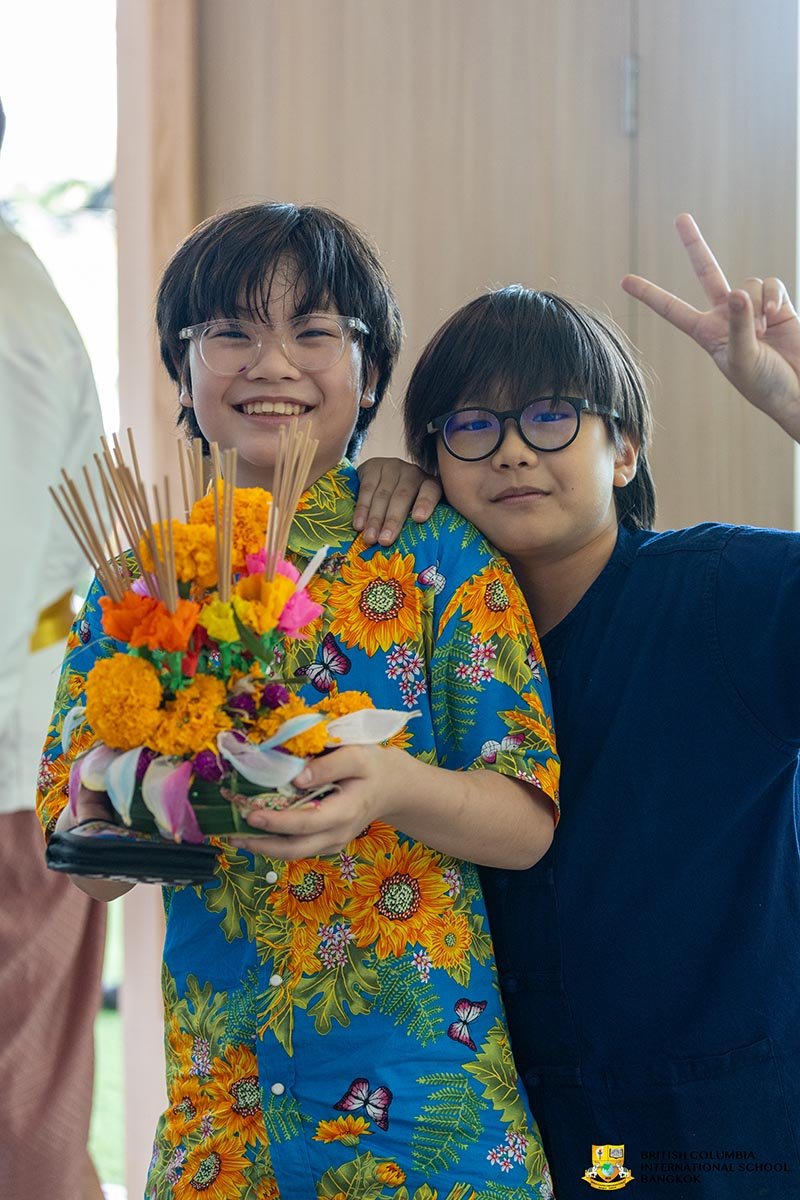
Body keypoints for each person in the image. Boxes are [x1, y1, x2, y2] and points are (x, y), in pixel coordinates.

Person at [37, 202, 561, 1199]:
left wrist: (389, 789)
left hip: (426, 1124)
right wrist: (114, 810)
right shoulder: (138, 579)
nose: (271, 363)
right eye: (229, 332)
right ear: (181, 367)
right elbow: (89, 866)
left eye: (314, 331)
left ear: (370, 370)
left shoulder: (436, 553)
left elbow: (525, 821)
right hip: (220, 1129)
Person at [356, 214, 800, 1198]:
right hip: (521, 1135)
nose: (511, 451)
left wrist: (791, 403)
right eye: (472, 426)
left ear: (624, 451)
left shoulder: (723, 593)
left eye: (550, 416)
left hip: (738, 1124)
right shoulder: (418, 638)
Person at [0, 99, 107, 1200]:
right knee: (32, 1089)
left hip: (14, 768)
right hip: (25, 741)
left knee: (23, 1105)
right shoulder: (28, 292)